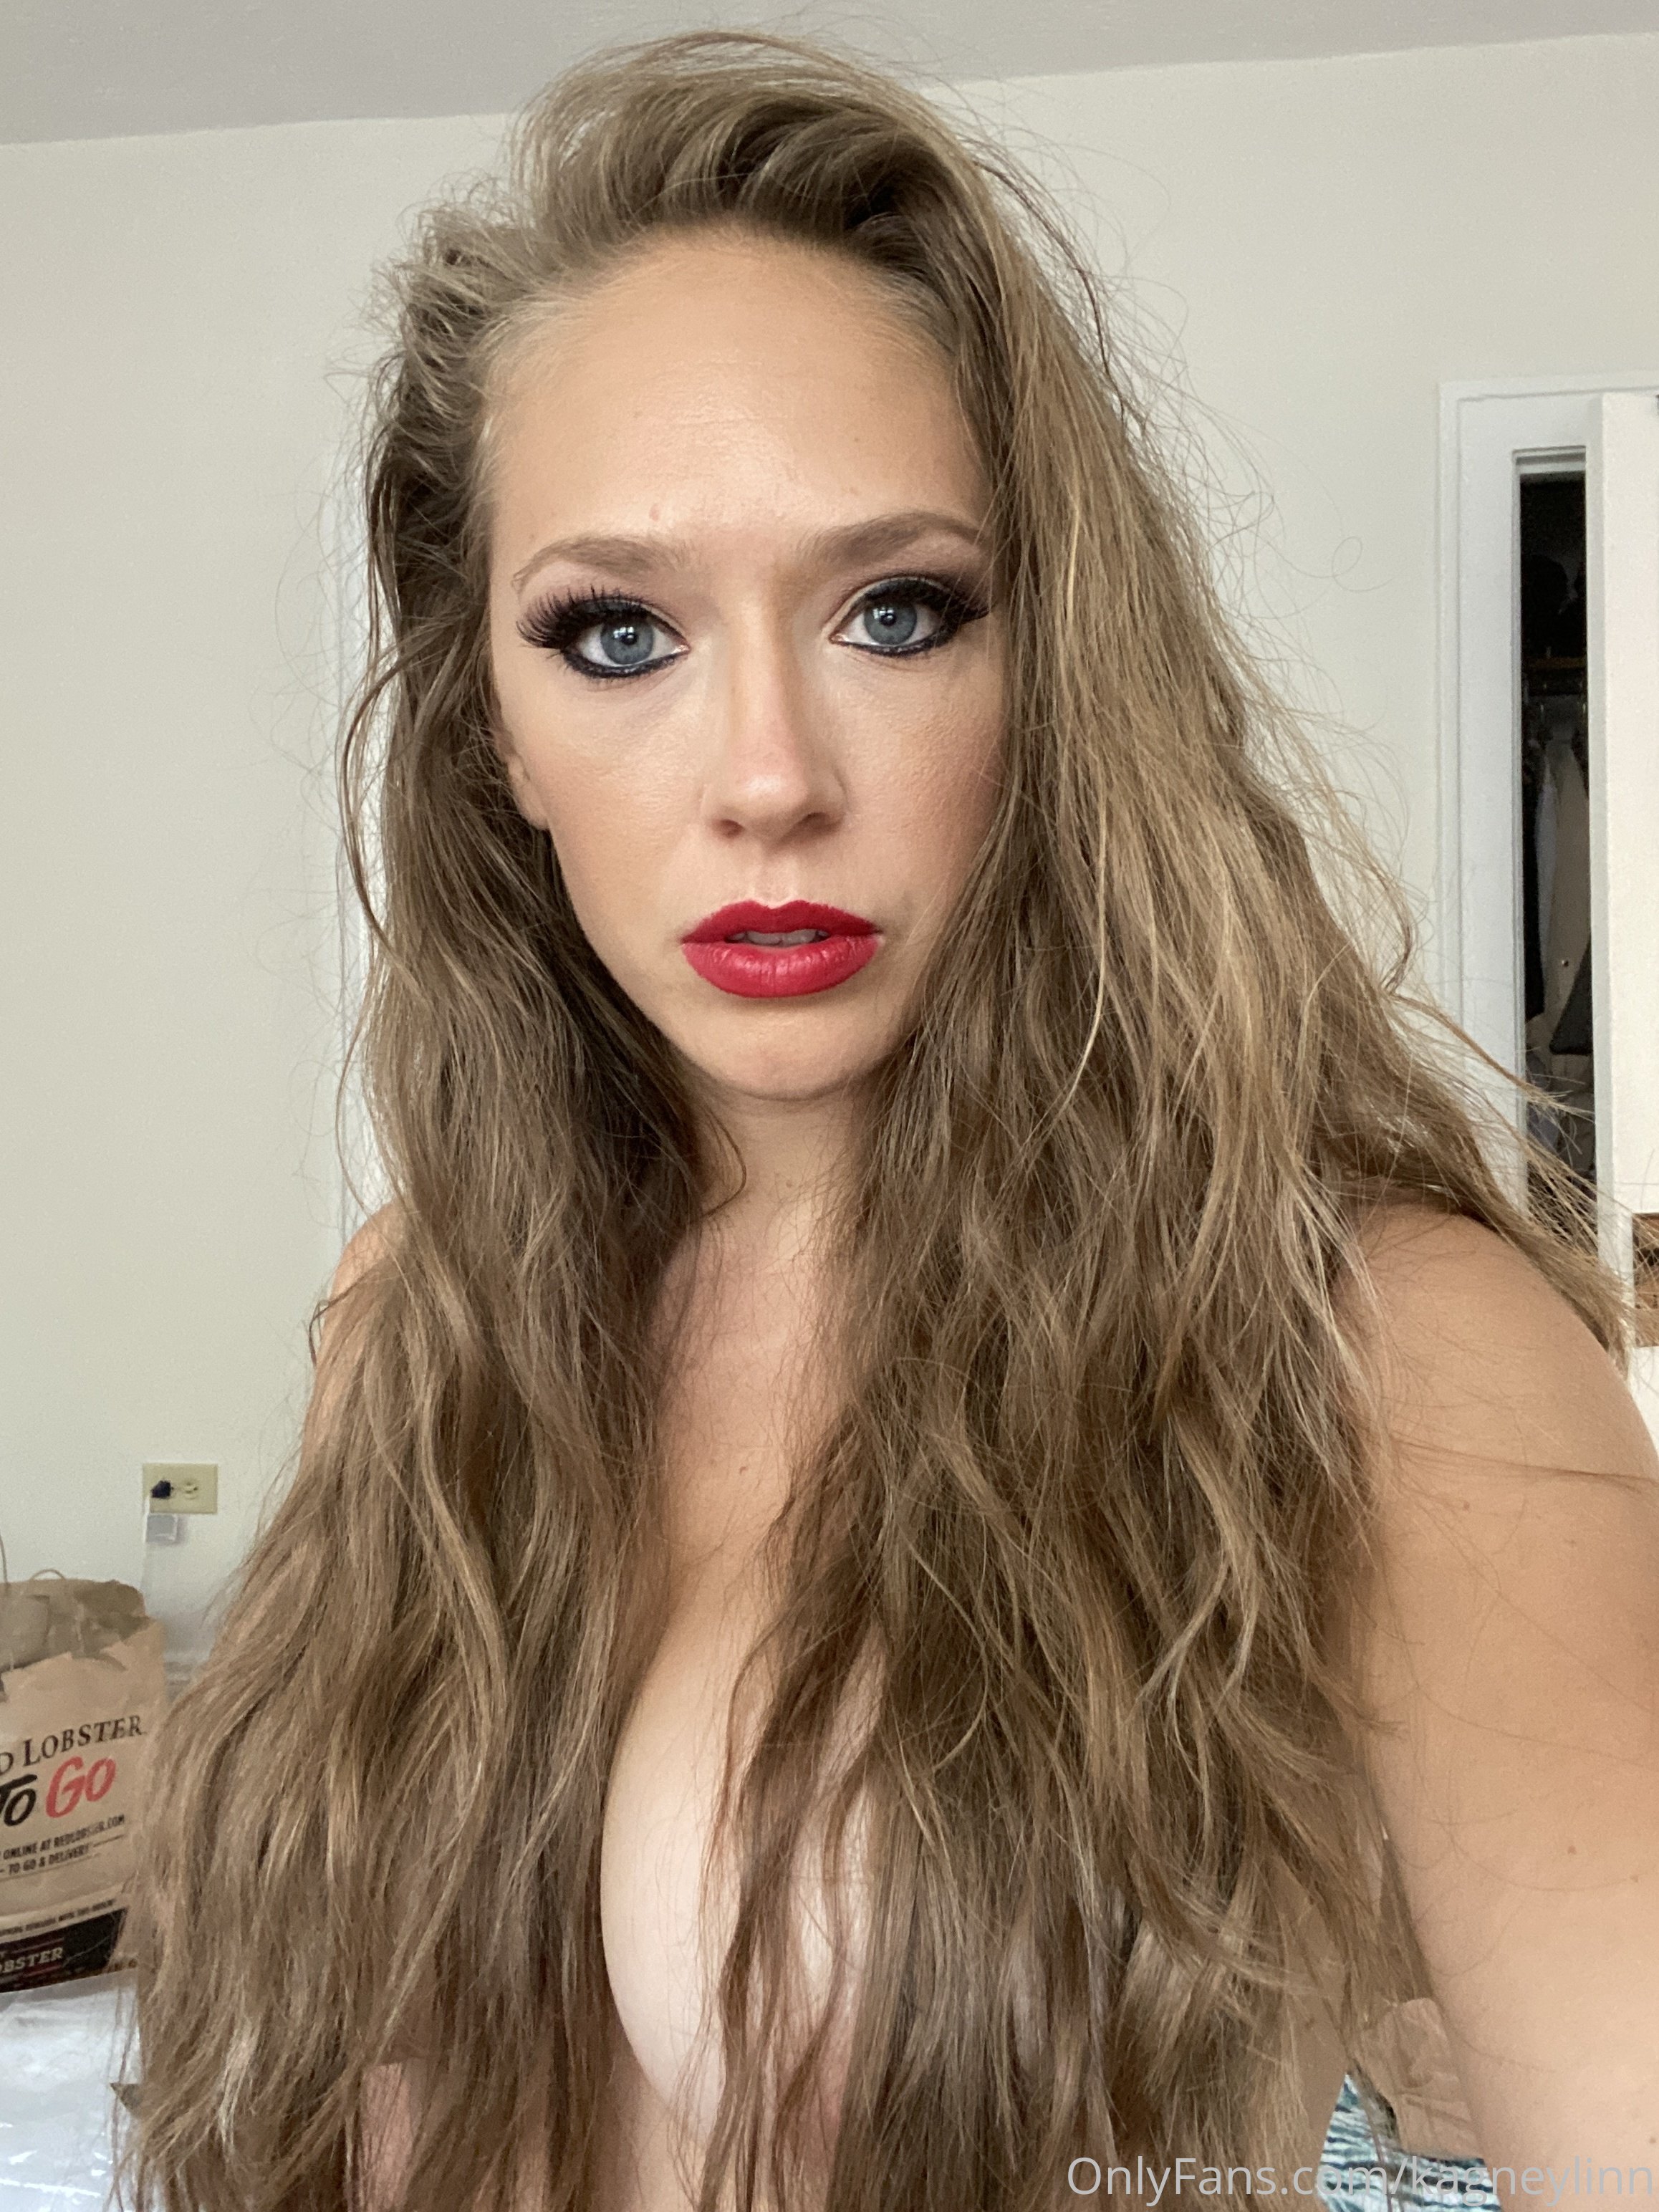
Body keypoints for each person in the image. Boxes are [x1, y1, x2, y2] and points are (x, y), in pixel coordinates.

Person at [118, 30, 1659, 2212]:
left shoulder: (1375, 1350)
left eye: (896, 612)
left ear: (1055, 677)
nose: (769, 774)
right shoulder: (416, 1314)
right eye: (619, 633)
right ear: (493, 737)